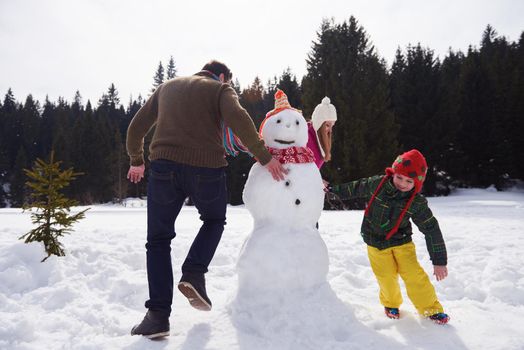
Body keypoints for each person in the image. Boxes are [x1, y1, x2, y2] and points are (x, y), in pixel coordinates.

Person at [126, 60, 287, 339]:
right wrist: (265, 156)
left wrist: (137, 160)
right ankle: (194, 272)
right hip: (207, 169)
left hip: (164, 167)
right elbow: (240, 120)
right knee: (214, 220)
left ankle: (157, 317)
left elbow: (136, 127)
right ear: (222, 76)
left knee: (158, 241)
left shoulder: (167, 87)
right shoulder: (220, 90)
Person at [330, 149, 450, 324]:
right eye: (399, 177)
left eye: (409, 181)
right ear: (393, 172)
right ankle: (391, 304)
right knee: (385, 277)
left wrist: (439, 260)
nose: (402, 183)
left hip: (402, 243)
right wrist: (331, 191)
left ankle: (430, 309)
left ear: (416, 183)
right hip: (375, 242)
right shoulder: (378, 184)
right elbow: (355, 187)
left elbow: (431, 228)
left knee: (414, 276)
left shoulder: (416, 202)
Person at [306, 96, 337, 170]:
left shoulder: (321, 140)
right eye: (327, 125)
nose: (330, 130)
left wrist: (317, 177)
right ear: (318, 123)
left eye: (332, 126)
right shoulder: (304, 135)